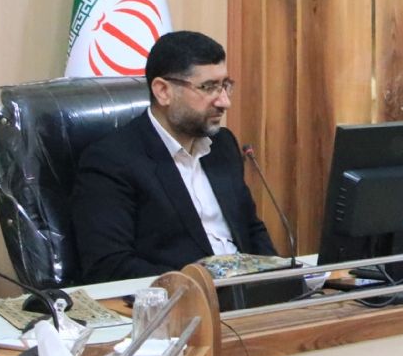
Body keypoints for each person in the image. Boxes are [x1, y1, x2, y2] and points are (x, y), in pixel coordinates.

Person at [72, 31, 276, 282]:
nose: (224, 102)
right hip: (182, 297)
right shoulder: (112, 160)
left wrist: (280, 277)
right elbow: (109, 265)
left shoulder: (222, 145)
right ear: (163, 91)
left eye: (225, 85)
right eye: (209, 87)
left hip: (248, 293)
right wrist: (199, 285)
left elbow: (251, 229)